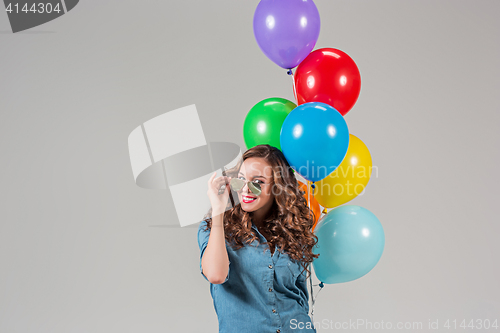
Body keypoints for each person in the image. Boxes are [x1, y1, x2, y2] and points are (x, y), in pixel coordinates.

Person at [197, 144, 319, 333]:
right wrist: (218, 210)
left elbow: (300, 297)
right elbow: (216, 275)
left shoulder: (293, 231)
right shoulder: (215, 228)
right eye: (240, 180)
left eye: (258, 182)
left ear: (278, 188)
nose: (245, 189)